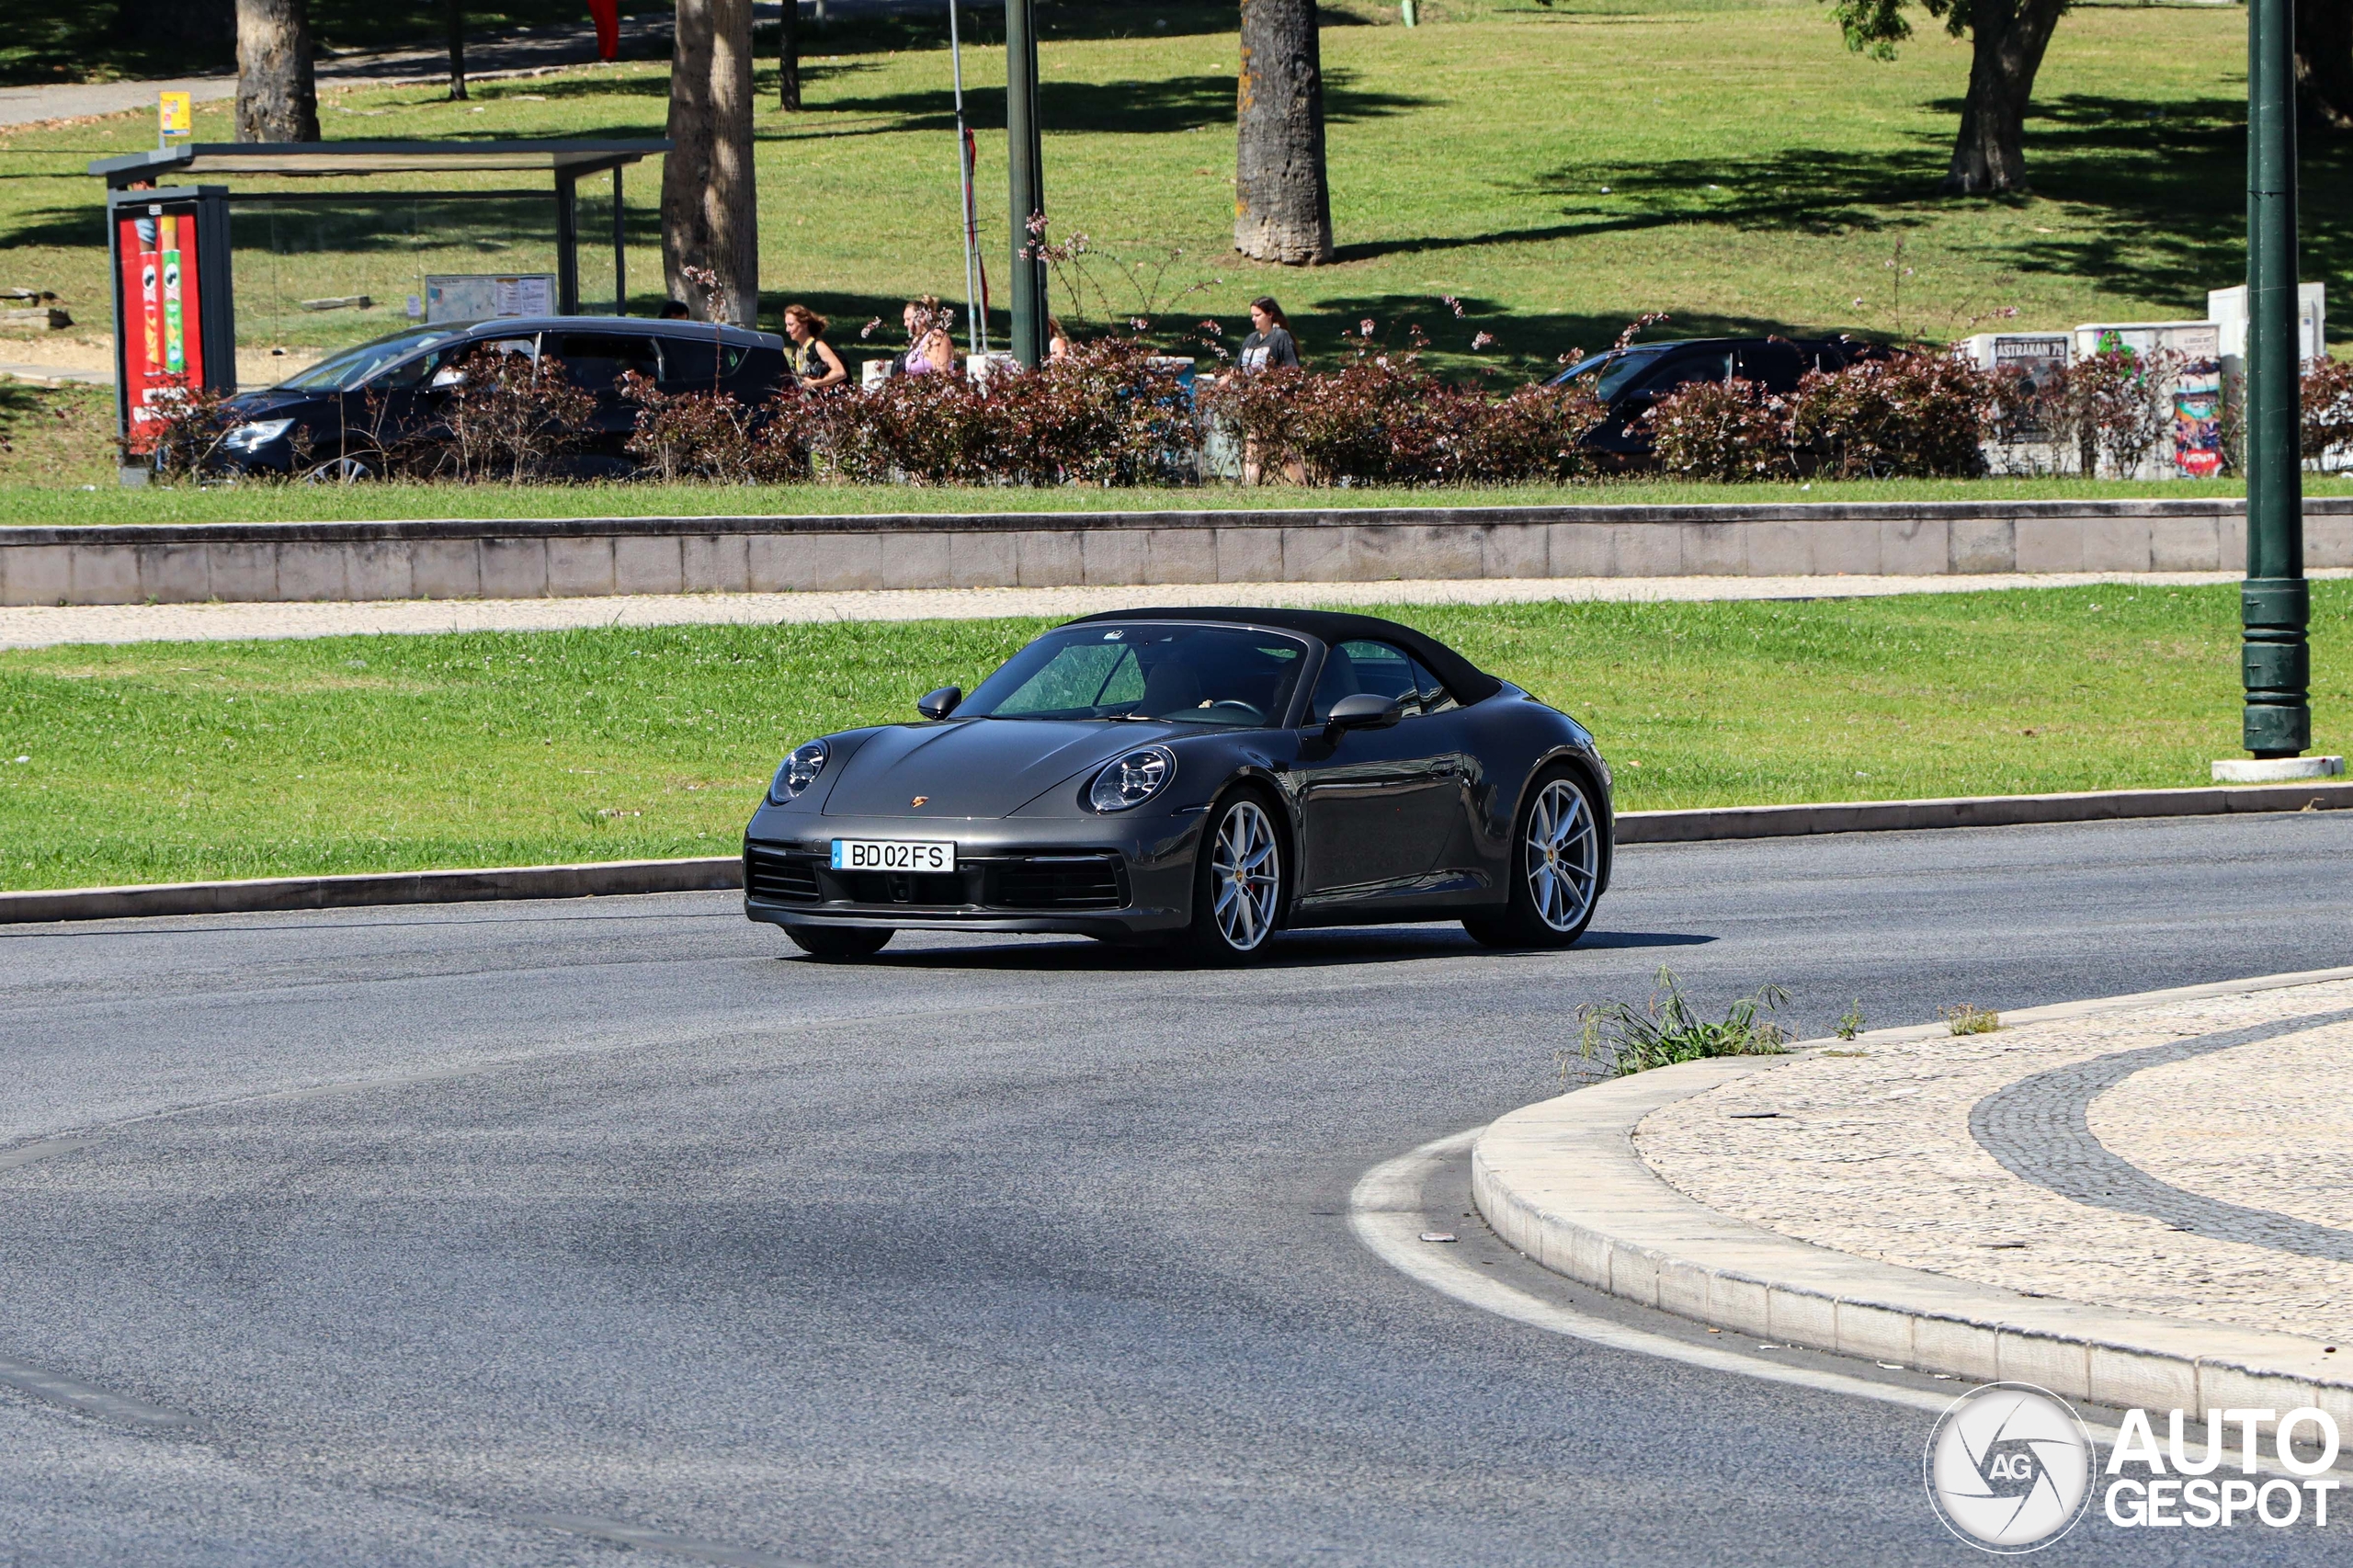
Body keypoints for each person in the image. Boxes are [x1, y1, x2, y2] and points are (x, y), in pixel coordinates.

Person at [781, 303, 847, 391]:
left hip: (826, 400)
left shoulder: (818, 346)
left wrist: (816, 383)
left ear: (804, 324)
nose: (787, 329)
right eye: (786, 325)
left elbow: (840, 372)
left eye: (791, 325)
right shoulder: (796, 351)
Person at [1237, 297, 1300, 375]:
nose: (1253, 319)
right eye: (1252, 315)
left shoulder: (1281, 336)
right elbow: (1235, 370)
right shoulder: (1250, 339)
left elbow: (1292, 368)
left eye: (1257, 315)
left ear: (1270, 314)